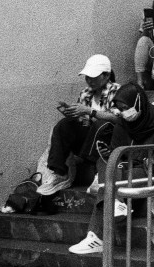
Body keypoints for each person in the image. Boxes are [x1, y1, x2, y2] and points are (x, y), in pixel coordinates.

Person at [68, 83, 154, 254]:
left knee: (107, 187)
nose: (124, 112)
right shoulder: (123, 123)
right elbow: (118, 149)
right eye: (120, 109)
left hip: (152, 169)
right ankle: (116, 203)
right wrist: (109, 152)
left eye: (126, 107)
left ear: (138, 102)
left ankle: (97, 236)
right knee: (106, 163)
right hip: (126, 165)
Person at [37, 55, 122, 196]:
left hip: (109, 138)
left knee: (101, 124)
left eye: (94, 77)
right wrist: (72, 114)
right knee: (64, 124)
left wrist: (90, 111)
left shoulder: (117, 91)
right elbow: (83, 121)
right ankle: (59, 173)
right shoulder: (85, 93)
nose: (90, 81)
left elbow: (117, 119)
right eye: (87, 77)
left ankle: (97, 173)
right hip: (88, 138)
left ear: (106, 76)